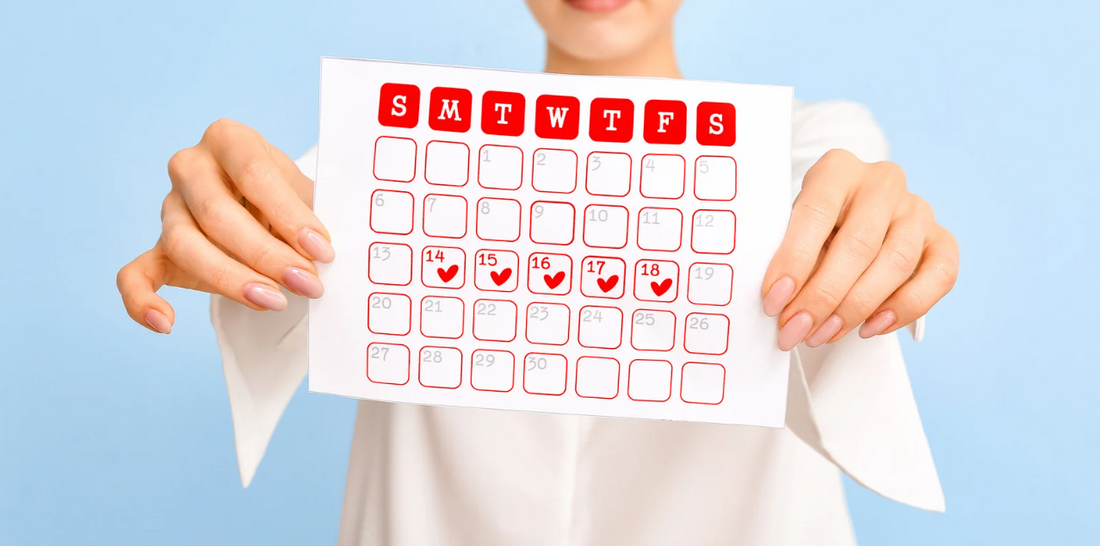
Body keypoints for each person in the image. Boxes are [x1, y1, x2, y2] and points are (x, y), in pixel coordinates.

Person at [116, 0, 960, 543]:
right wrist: (233, 220)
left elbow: (846, 244)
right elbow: (288, 256)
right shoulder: (386, 158)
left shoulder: (813, 150)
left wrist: (879, 239)